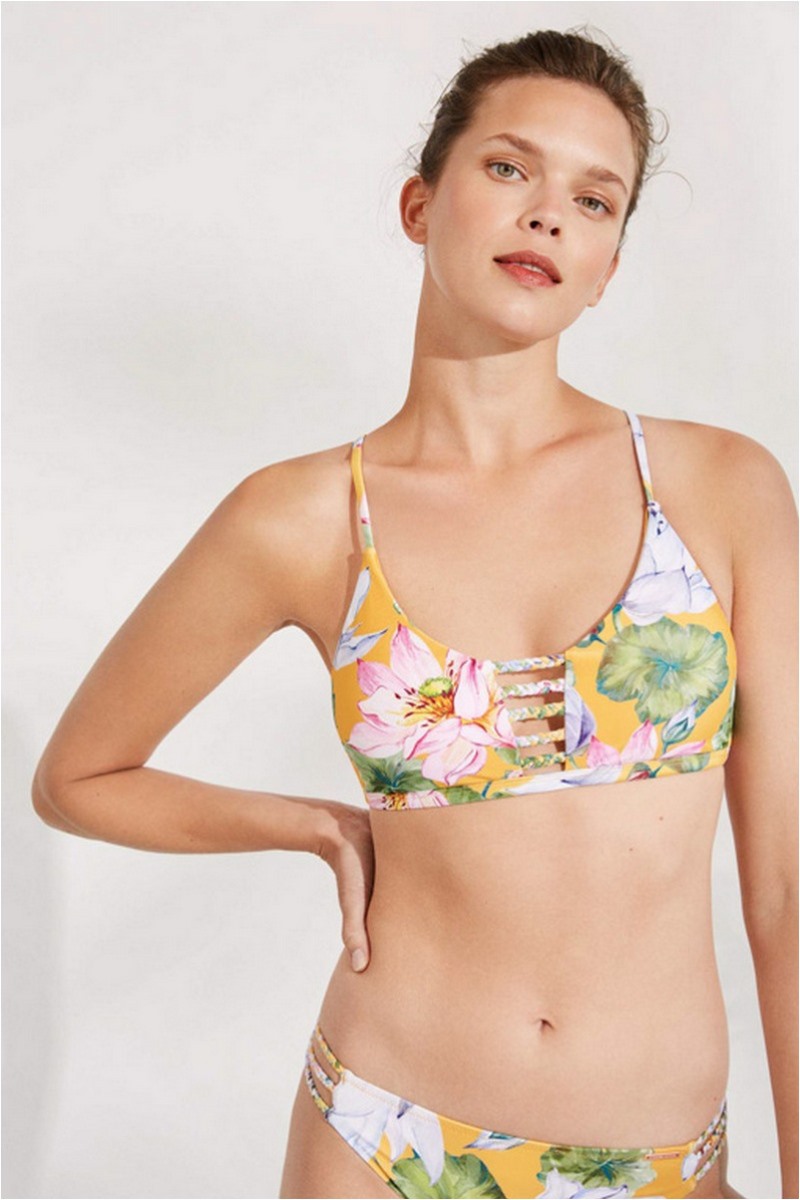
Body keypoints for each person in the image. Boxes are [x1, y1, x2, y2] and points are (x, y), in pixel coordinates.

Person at [31, 26, 796, 1200]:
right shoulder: (301, 518)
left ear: (607, 264)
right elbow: (78, 777)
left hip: (657, 1161)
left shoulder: (719, 489)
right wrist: (315, 826)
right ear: (418, 204)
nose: (546, 216)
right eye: (508, 167)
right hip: (383, 1133)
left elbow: (783, 888)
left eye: (592, 200)